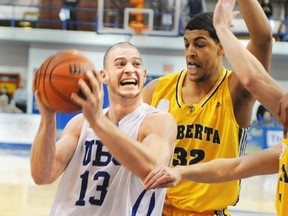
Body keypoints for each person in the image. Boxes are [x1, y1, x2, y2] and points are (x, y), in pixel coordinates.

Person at [143, 0, 288, 215]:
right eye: (186, 44)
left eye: (200, 44)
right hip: (156, 209)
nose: (190, 52)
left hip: (209, 211)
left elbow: (263, 40)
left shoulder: (235, 90)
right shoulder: (157, 90)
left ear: (221, 47)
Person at [30, 42, 177, 215]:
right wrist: (48, 119)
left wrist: (98, 121)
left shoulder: (158, 121)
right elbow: (42, 175)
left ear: (144, 75)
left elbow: (152, 169)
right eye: (120, 64)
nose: (130, 69)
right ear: (103, 76)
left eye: (136, 64)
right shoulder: (80, 124)